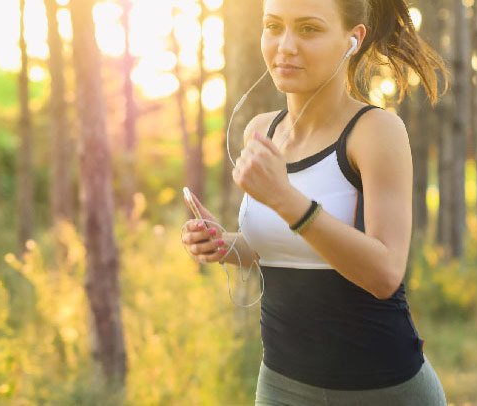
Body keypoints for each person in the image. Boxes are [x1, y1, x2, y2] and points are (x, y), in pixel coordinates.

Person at [181, 0, 449, 404]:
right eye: (273, 26)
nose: (285, 45)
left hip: (385, 389)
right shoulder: (261, 131)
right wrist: (225, 245)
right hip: (282, 385)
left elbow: (384, 273)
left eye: (308, 29)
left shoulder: (376, 132)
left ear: (352, 39)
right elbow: (284, 246)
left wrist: (288, 201)